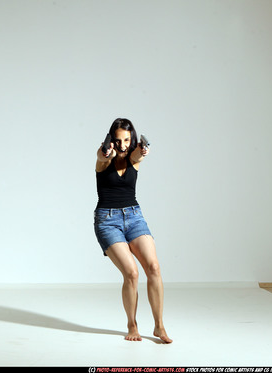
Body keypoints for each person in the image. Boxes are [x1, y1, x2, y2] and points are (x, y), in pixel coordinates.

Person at [94, 118, 172, 344]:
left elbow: (137, 155)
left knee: (154, 267)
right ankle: (132, 324)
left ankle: (159, 326)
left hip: (134, 217)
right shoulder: (103, 160)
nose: (122, 144)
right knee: (132, 273)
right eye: (118, 140)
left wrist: (142, 150)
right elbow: (101, 155)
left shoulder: (133, 159)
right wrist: (104, 150)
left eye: (127, 140)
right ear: (111, 140)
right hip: (107, 221)